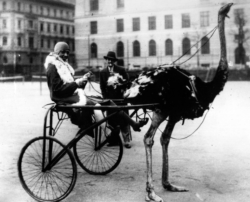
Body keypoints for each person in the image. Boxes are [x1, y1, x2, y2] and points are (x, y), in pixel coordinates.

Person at [45, 42, 147, 139]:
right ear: (56, 52)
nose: (66, 55)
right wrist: (77, 83)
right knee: (96, 103)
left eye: (67, 52)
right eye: (63, 52)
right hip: (62, 98)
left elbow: (70, 86)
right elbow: (57, 90)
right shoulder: (53, 66)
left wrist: (83, 80)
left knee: (107, 102)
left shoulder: (63, 66)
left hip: (71, 95)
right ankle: (108, 131)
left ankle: (132, 124)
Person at [100, 51, 136, 148]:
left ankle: (126, 140)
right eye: (108, 59)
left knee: (124, 119)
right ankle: (114, 140)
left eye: (111, 60)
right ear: (106, 60)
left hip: (120, 99)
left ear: (114, 61)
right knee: (111, 120)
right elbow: (102, 88)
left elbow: (127, 83)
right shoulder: (103, 72)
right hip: (110, 100)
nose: (110, 61)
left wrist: (119, 83)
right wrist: (105, 99)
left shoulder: (121, 70)